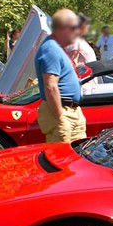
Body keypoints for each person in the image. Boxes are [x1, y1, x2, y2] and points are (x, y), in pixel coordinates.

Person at [35, 9, 86, 143]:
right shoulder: (51, 50)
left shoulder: (57, 49)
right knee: (61, 160)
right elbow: (50, 86)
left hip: (71, 111)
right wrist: (60, 118)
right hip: (62, 111)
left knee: (78, 157)